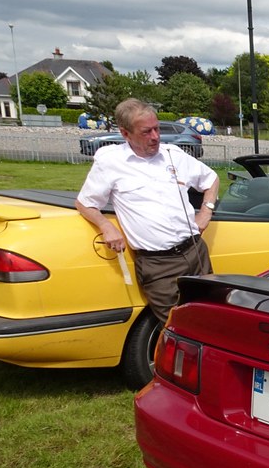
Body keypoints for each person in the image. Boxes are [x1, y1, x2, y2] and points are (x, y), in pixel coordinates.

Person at [75, 98, 220, 324]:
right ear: (125, 133)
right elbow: (85, 202)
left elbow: (211, 179)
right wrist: (105, 226)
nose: (155, 137)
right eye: (146, 132)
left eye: (157, 129)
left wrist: (206, 211)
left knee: (210, 319)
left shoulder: (173, 154)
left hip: (195, 252)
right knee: (177, 327)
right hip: (158, 265)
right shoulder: (111, 162)